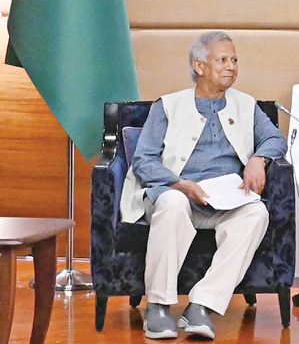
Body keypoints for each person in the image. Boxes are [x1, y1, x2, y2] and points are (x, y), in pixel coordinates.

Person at [119, 31, 287, 340]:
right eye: (222, 60)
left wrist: (258, 159)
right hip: (174, 194)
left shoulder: (246, 105)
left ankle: (201, 305)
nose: (231, 66)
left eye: (234, 60)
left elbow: (275, 139)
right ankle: (157, 308)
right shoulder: (167, 106)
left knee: (257, 213)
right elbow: (143, 160)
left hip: (224, 201)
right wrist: (179, 184)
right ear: (199, 66)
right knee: (173, 204)